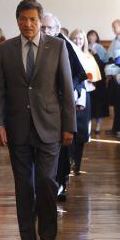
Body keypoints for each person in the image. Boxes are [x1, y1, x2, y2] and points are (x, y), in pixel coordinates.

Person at [0, 0, 76, 240]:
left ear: (40, 21)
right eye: (23, 19)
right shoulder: (6, 49)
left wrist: (69, 127)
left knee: (46, 183)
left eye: (33, 19)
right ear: (17, 20)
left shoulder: (57, 46)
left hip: (50, 127)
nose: (28, 24)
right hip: (17, 128)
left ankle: (48, 237)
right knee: (24, 186)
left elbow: (66, 88)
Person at [41, 13, 86, 201]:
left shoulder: (63, 45)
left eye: (49, 28)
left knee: (61, 148)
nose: (45, 31)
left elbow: (79, 75)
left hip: (59, 105)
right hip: (39, 106)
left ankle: (60, 184)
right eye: (43, 27)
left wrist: (66, 90)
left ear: (57, 30)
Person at [69, 29, 102, 175]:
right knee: (69, 129)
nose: (78, 41)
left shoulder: (89, 57)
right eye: (75, 39)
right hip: (70, 96)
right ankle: (68, 160)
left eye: (80, 39)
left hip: (85, 95)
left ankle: (77, 164)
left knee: (81, 131)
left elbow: (94, 78)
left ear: (85, 41)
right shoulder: (67, 55)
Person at [86, 29, 109, 135]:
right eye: (89, 35)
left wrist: (95, 55)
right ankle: (88, 125)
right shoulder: (85, 47)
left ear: (96, 37)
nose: (91, 37)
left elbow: (103, 63)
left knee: (99, 102)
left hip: (99, 79)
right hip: (88, 78)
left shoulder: (100, 47)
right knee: (90, 102)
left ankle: (98, 126)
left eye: (93, 35)